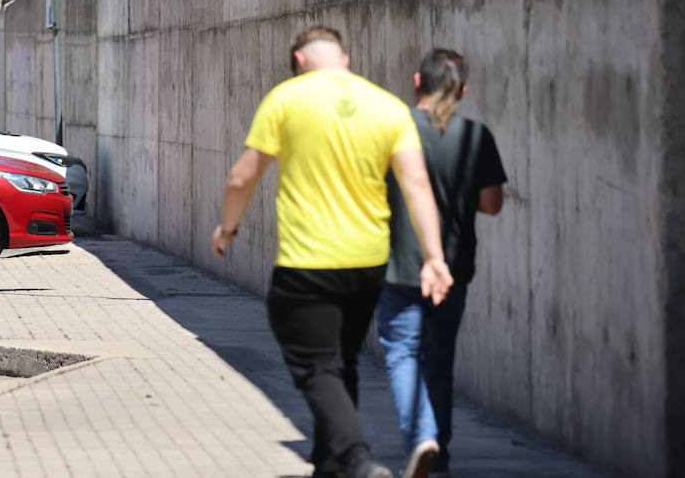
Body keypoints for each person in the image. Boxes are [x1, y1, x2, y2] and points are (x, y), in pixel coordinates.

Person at [213, 26, 454, 478]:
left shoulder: (286, 99)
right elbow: (417, 184)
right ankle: (330, 467)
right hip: (368, 263)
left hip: (309, 263)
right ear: (344, 60)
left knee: (314, 364)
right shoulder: (387, 106)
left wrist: (228, 229)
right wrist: (435, 257)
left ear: (300, 61)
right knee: (341, 361)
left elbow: (240, 179)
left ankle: (357, 460)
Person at [377, 49, 506, 478]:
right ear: (463, 90)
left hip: (398, 264)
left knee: (402, 354)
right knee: (439, 359)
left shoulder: (394, 132)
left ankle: (422, 439)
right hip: (454, 266)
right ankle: (440, 455)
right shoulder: (476, 135)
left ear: (417, 82)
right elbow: (492, 205)